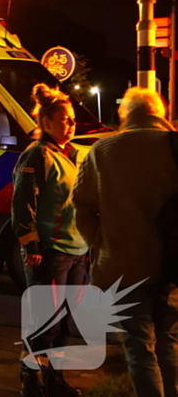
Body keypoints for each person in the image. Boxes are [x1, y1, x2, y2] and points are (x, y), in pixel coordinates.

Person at [73, 87, 178, 397]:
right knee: (170, 343)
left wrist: (101, 243)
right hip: (171, 266)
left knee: (139, 350)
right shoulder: (174, 145)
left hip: (123, 267)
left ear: (125, 115)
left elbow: (82, 207)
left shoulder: (103, 151)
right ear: (159, 112)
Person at [12, 84, 87, 397]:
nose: (70, 124)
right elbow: (22, 203)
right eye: (64, 119)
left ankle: (55, 380)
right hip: (52, 251)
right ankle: (33, 383)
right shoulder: (37, 155)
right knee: (44, 324)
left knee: (62, 325)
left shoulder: (71, 153)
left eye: (71, 119)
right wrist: (31, 244)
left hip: (76, 250)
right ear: (45, 123)